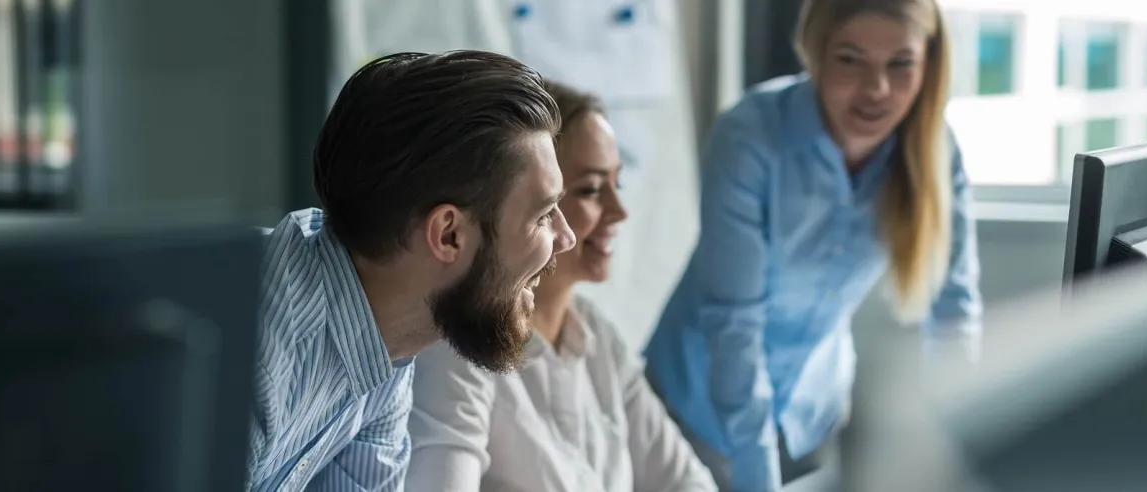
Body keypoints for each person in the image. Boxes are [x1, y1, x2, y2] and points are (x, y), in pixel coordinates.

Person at [642, 0, 982, 490]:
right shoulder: (751, 134)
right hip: (698, 407)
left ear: (929, 62)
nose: (877, 89)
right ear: (816, 52)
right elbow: (734, 323)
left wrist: (961, 449)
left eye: (900, 64)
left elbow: (954, 309)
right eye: (851, 59)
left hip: (812, 411)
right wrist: (756, 479)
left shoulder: (936, 150)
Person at [250, 50, 577, 491]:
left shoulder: (385, 346)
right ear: (448, 235)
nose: (566, 237)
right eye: (542, 215)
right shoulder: (260, 339)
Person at [403, 79, 718, 492]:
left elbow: (685, 482)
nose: (619, 211)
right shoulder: (459, 344)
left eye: (616, 184)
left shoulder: (596, 338)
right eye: (589, 189)